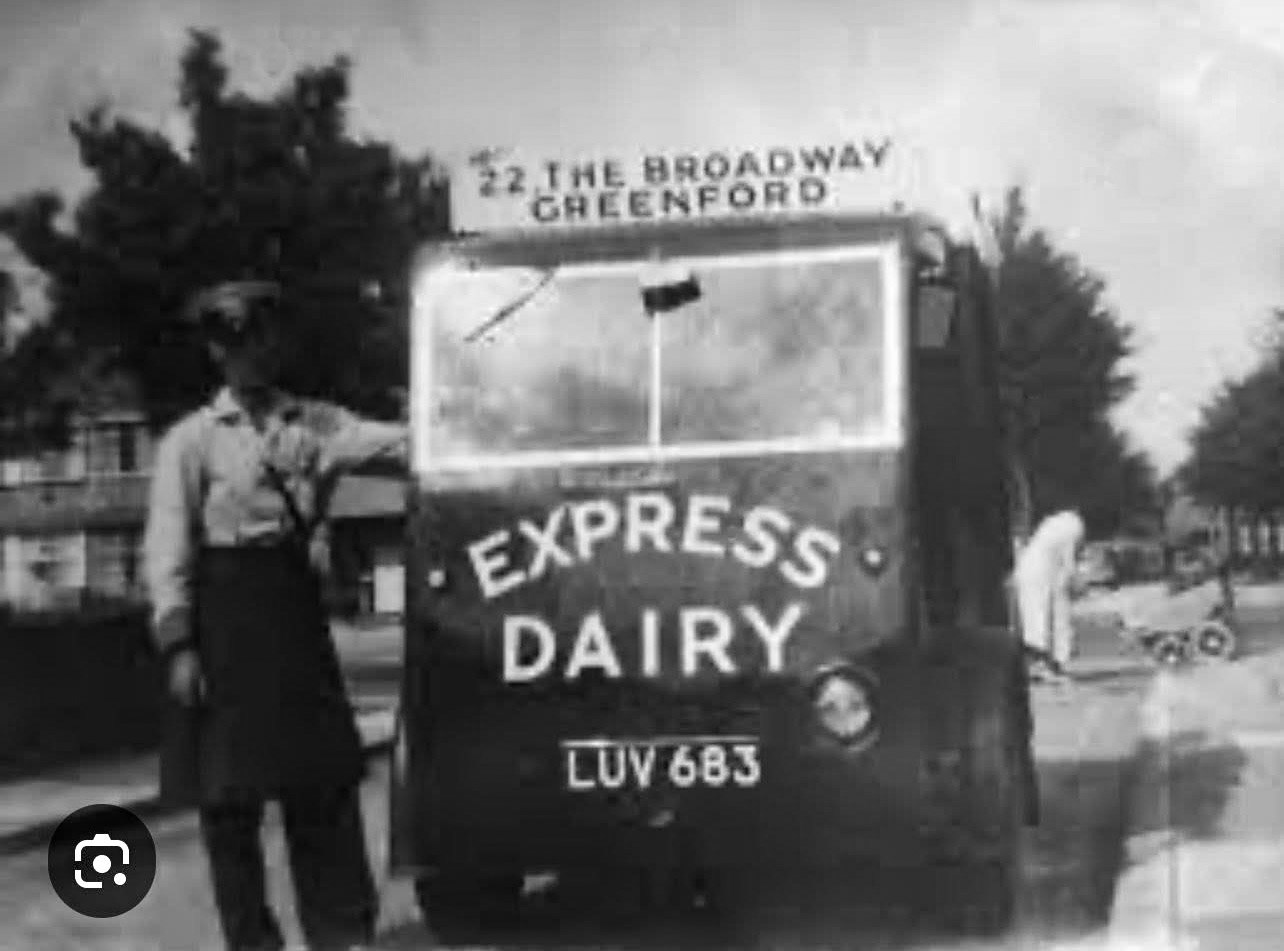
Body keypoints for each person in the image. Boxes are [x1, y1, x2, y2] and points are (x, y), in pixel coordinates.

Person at [144, 279, 408, 950]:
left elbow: (402, 443)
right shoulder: (191, 441)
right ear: (215, 352)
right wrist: (179, 644)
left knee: (322, 788)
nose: (249, 356)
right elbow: (168, 544)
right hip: (222, 625)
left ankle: (341, 931)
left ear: (276, 341)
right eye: (232, 344)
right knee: (228, 805)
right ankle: (251, 941)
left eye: (259, 339)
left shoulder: (318, 423)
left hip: (291, 617)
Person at [1013, 509, 1085, 685]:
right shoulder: (1073, 527)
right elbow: (1068, 564)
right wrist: (1077, 584)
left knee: (1037, 619)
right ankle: (1044, 666)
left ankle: (1042, 665)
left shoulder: (1056, 523)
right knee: (1042, 620)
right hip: (1039, 574)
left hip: (1031, 569)